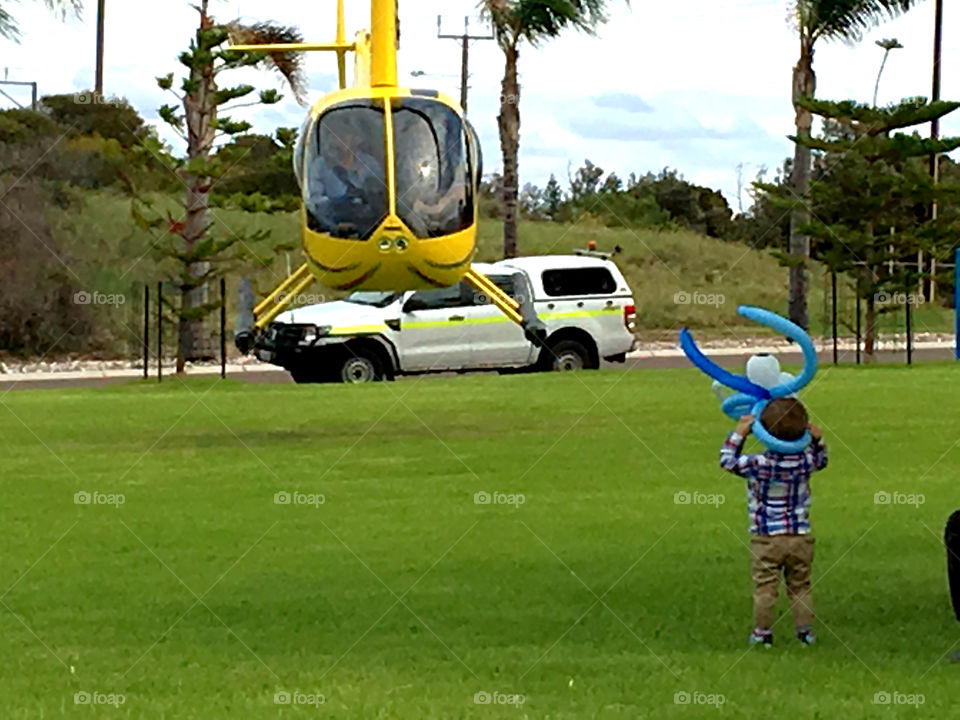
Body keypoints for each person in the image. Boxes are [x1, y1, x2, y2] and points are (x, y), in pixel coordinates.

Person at [720, 397, 828, 647]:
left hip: (766, 538)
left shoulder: (758, 464)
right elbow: (821, 460)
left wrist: (739, 434)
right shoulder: (804, 462)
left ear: (764, 432)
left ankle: (762, 634)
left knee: (766, 588)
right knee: (800, 586)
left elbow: (727, 461)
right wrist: (818, 439)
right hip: (800, 536)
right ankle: (805, 634)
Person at [307, 129, 384, 234]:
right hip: (333, 226)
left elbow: (382, 193)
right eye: (338, 135)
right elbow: (315, 200)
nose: (343, 139)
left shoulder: (369, 163)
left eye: (347, 134)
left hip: (369, 226)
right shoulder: (320, 165)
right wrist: (334, 225)